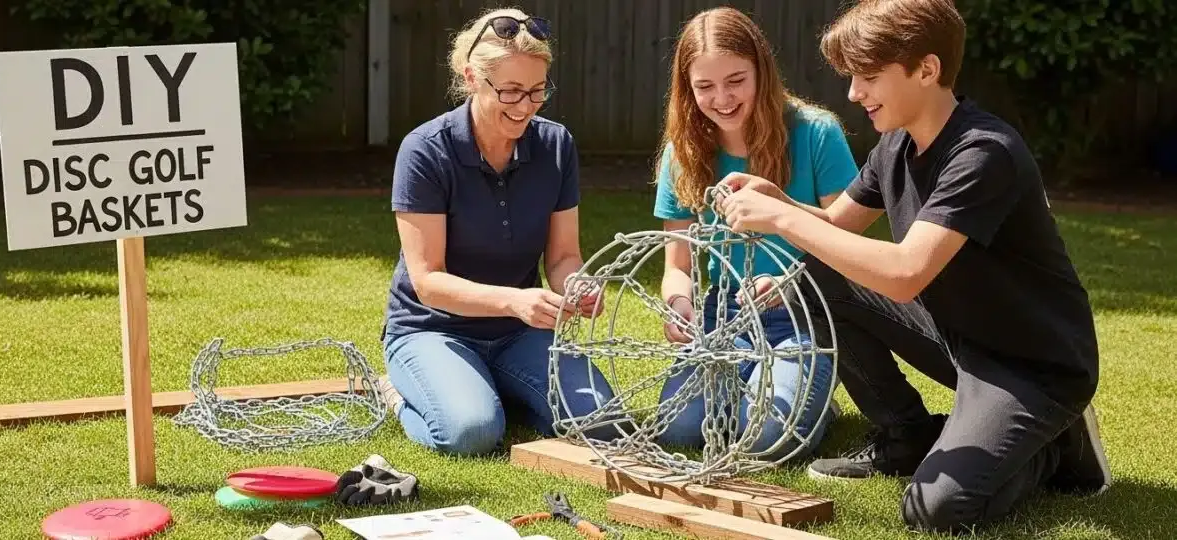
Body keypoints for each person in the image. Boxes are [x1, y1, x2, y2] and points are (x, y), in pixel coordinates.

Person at [714, 0, 1109, 533]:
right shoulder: (895, 145)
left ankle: (1056, 447)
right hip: (958, 338)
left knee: (937, 509)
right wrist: (778, 201)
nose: (854, 93)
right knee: (814, 276)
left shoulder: (983, 153)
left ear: (927, 69)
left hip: (1032, 365)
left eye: (869, 77)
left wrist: (781, 221)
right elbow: (834, 225)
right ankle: (906, 435)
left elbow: (905, 273)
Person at [377, 8, 617, 456]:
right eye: (510, 91)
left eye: (537, 91)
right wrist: (513, 300)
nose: (525, 106)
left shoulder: (556, 145)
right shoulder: (425, 150)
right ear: (472, 78)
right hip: (432, 329)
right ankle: (397, 393)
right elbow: (428, 281)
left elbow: (563, 257)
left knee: (602, 422)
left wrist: (579, 286)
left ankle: (489, 389)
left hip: (519, 331)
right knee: (473, 433)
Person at [651, 6, 857, 461]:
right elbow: (676, 266)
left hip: (804, 315)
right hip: (722, 317)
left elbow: (850, 243)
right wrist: (679, 305)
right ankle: (757, 385)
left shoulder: (815, 133)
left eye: (736, 81)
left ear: (761, 71)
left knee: (765, 437)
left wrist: (789, 282)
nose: (722, 98)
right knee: (678, 429)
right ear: (687, 88)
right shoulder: (683, 152)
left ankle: (812, 391)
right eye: (704, 86)